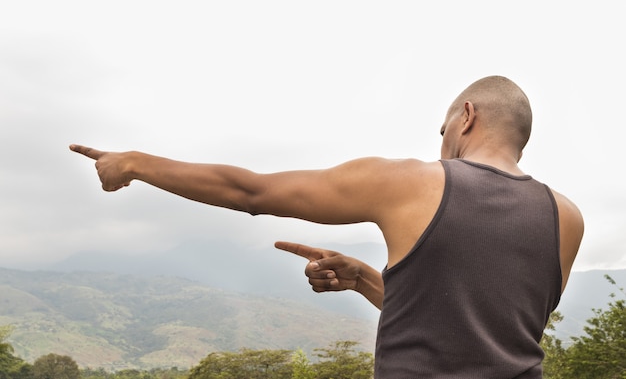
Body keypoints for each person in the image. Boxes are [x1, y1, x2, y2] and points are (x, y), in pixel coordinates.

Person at [70, 75, 584, 378]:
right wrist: (364, 279)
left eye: (444, 127)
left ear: (466, 116)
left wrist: (135, 162)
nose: (441, 139)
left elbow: (253, 192)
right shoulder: (565, 217)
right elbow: (484, 332)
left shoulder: (410, 182)